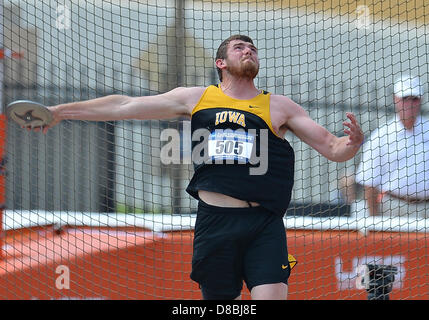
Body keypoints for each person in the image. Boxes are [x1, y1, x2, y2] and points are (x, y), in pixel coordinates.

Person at [29, 35, 364, 299]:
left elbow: (333, 148)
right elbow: (126, 104)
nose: (248, 51)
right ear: (221, 62)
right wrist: (60, 111)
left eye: (252, 48)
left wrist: (352, 143)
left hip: (264, 223)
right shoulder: (197, 98)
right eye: (239, 47)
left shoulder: (279, 105)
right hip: (214, 221)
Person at [355, 74, 429, 218]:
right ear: (396, 100)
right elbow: (370, 183)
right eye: (405, 99)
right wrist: (374, 220)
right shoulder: (381, 136)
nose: (410, 104)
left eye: (414, 99)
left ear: (421, 100)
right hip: (394, 208)